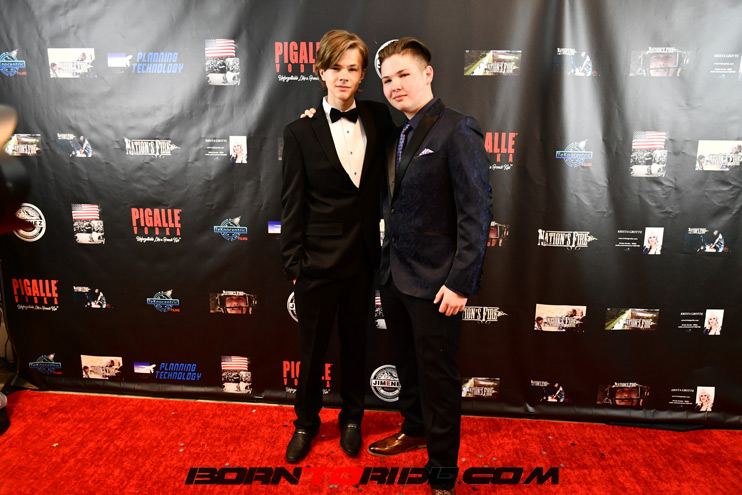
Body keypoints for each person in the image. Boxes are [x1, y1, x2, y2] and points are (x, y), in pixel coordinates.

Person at [367, 38, 493, 495]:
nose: (395, 86)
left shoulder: (458, 129)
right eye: (387, 79)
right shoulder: (394, 134)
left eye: (403, 74)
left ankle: (442, 473)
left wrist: (460, 282)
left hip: (438, 284)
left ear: (428, 74)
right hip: (395, 277)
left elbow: (476, 213)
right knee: (407, 366)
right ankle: (414, 429)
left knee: (438, 380)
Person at [280, 29, 393, 464]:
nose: (343, 76)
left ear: (363, 75)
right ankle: (306, 424)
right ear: (321, 71)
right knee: (311, 352)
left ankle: (352, 420)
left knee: (356, 346)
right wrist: (295, 264)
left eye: (352, 68)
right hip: (317, 262)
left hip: (363, 259)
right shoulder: (299, 131)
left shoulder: (378, 117)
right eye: (335, 68)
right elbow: (292, 202)